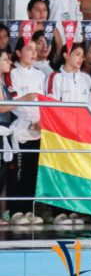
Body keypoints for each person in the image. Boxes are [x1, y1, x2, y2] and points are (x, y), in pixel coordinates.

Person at [7, 38, 46, 224]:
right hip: (20, 130)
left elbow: (44, 102)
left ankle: (28, 210)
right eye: (28, 49)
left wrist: (42, 121)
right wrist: (33, 119)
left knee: (32, 173)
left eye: (34, 49)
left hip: (38, 131)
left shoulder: (40, 75)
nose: (33, 52)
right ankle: (15, 211)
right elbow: (15, 103)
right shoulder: (12, 73)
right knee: (18, 173)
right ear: (18, 52)